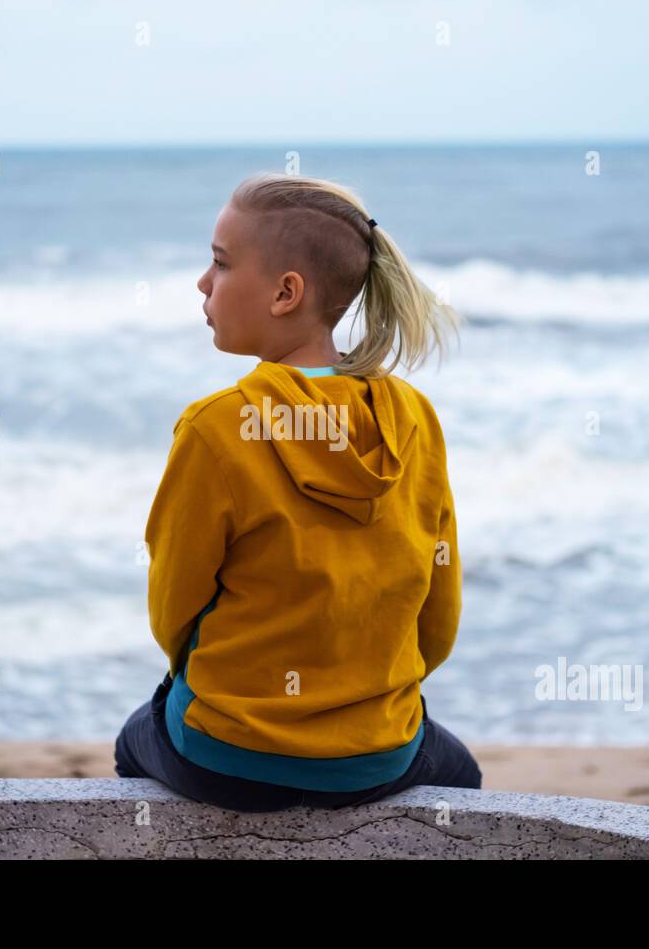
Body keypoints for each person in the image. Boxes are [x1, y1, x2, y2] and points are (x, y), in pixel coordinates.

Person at [114, 172, 481, 812]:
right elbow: (439, 618)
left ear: (286, 293)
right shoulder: (413, 417)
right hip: (376, 755)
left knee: (131, 743)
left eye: (221, 265)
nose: (203, 283)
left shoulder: (217, 426)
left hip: (228, 755)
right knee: (463, 776)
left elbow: (174, 609)